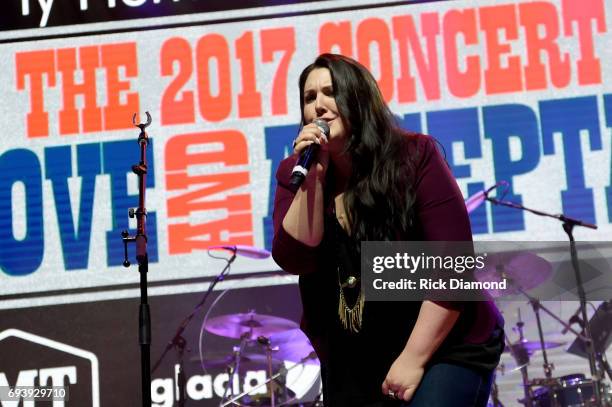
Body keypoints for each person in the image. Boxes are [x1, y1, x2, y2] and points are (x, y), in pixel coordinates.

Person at [271, 53, 504, 406]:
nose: (318, 106)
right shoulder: (298, 174)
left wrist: (413, 360)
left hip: (445, 341)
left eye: (330, 92)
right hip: (357, 357)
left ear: (358, 99)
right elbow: (295, 258)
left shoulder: (413, 156)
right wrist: (313, 179)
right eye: (309, 98)